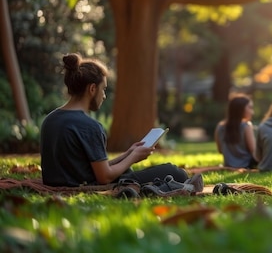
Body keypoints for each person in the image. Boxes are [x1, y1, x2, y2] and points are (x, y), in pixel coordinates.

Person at [40, 53, 202, 193]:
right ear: (92, 89)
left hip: (64, 182)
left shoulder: (50, 119)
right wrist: (132, 158)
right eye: (103, 89)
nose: (103, 96)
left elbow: (91, 167)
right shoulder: (89, 126)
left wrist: (128, 153)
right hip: (87, 186)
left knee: (129, 169)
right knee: (174, 172)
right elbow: (104, 177)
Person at [214, 94, 257, 168]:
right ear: (241, 109)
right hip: (247, 165)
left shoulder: (220, 127)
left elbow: (220, 150)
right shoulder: (246, 126)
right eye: (250, 108)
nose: (252, 112)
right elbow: (254, 151)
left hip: (228, 165)